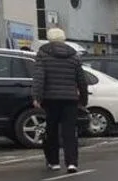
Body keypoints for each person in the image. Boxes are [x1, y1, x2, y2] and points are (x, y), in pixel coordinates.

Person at [32, 27, 88, 173]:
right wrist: (83, 99)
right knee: (69, 132)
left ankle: (54, 162)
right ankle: (72, 163)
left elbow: (39, 77)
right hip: (70, 99)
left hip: (50, 99)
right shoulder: (74, 56)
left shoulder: (43, 54)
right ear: (63, 38)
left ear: (49, 38)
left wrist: (37, 97)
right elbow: (81, 79)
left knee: (51, 131)